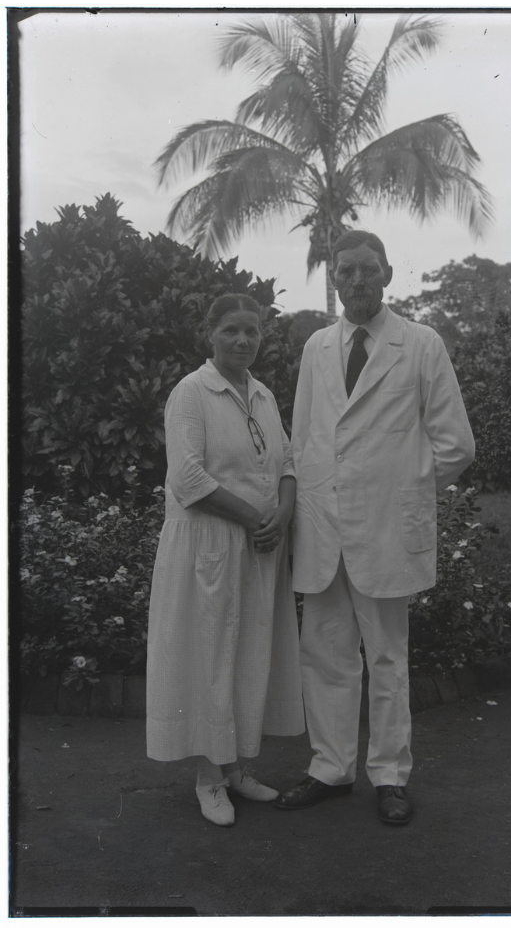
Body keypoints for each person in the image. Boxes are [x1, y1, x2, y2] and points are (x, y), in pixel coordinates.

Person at [274, 230, 475, 826]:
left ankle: (389, 776)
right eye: (345, 271)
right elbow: (306, 437)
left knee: (387, 657)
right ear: (334, 278)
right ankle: (331, 768)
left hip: (386, 531)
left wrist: (400, 494)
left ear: (387, 272)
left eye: (368, 269)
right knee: (325, 654)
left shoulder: (421, 343)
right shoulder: (317, 347)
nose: (357, 280)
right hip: (322, 530)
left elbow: (456, 445)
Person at [147, 293, 305, 827]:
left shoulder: (262, 395)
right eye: (231, 330)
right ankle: (208, 779)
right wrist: (255, 517)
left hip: (257, 547)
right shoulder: (191, 393)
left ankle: (236, 769)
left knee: (247, 657)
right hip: (208, 547)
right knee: (210, 660)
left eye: (252, 331)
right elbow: (187, 477)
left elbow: (288, 462)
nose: (242, 340)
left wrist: (282, 514)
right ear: (210, 333)